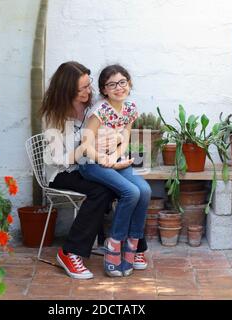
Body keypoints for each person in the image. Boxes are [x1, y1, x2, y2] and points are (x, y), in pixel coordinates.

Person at [41, 61, 149, 280]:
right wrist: (90, 148)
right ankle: (69, 252)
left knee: (133, 188)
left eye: (88, 85)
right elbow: (58, 159)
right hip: (64, 171)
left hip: (93, 162)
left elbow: (113, 130)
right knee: (103, 190)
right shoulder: (53, 116)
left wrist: (114, 144)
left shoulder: (93, 106)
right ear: (66, 90)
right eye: (81, 89)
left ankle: (133, 247)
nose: (87, 91)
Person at [78, 64, 152, 277]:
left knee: (144, 191)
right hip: (91, 162)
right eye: (112, 84)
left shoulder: (129, 108)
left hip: (114, 159)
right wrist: (104, 159)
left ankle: (133, 244)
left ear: (129, 84)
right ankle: (114, 244)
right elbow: (85, 145)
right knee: (131, 192)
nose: (118, 88)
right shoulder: (99, 111)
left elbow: (126, 135)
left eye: (122, 82)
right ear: (104, 89)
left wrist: (115, 156)